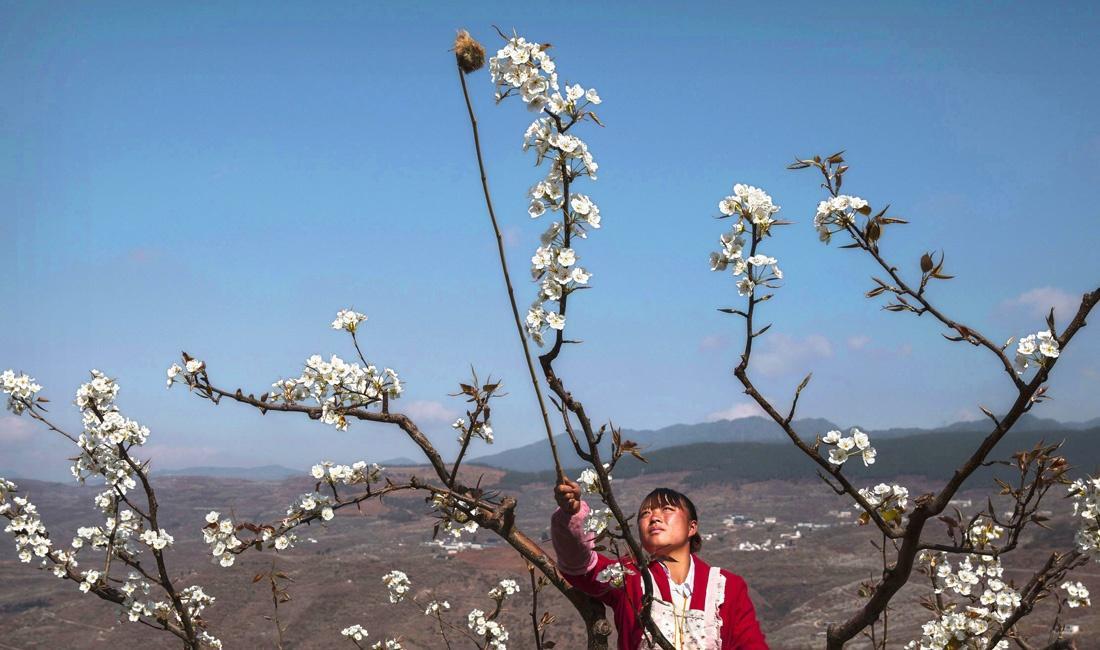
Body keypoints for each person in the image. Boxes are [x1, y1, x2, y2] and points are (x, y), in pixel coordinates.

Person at [552, 478, 768, 650]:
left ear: (692, 527)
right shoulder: (628, 575)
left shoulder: (726, 587)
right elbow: (582, 566)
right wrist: (572, 513)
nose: (654, 517)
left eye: (667, 510)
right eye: (645, 514)